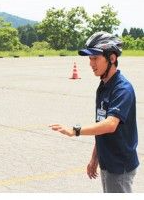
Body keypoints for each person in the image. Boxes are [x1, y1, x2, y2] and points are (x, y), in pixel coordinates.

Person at [49, 31, 139, 193]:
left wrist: (75, 131)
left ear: (112, 58)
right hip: (107, 162)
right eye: (90, 59)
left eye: (95, 58)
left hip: (119, 166)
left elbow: (110, 124)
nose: (91, 63)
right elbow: (101, 125)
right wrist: (94, 159)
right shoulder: (104, 86)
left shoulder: (122, 89)